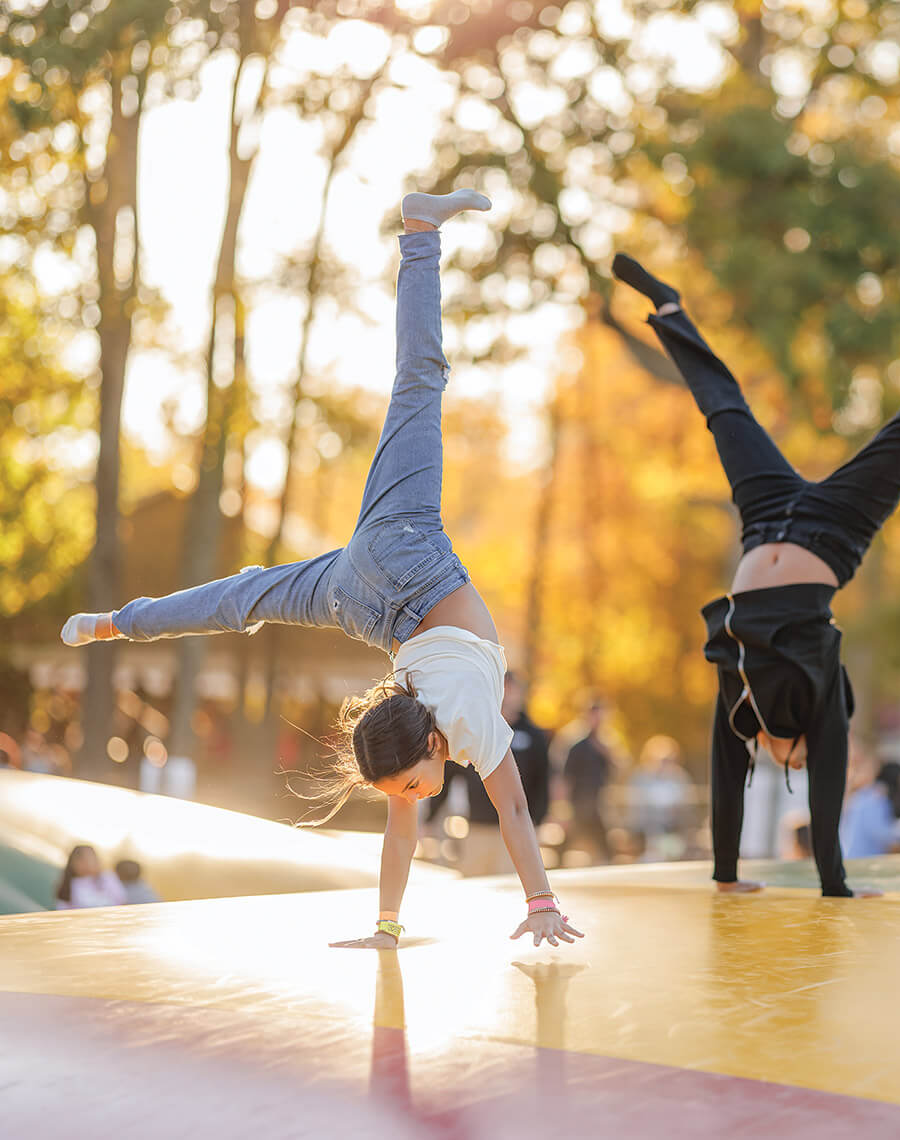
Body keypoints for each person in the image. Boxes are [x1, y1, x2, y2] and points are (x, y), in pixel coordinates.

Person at [60, 190, 581, 951]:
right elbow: (463, 822)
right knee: (248, 596)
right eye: (401, 791)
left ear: (428, 748)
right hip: (366, 595)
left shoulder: (454, 728)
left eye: (399, 788)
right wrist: (417, 923)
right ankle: (118, 622)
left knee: (420, 383)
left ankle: (421, 232)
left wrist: (526, 906)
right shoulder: (426, 732)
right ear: (431, 747)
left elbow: (513, 814)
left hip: (402, 566)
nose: (404, 802)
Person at [612, 252, 900, 896]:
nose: (794, 763)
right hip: (836, 529)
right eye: (795, 761)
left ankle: (668, 309)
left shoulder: (742, 708)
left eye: (790, 764)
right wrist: (835, 885)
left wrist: (726, 876)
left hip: (766, 517)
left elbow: (727, 778)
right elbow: (830, 779)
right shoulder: (817, 695)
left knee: (727, 416)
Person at [425, 669, 551, 876]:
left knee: (511, 886)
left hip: (517, 829)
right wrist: (430, 816)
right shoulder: (474, 730)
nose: (506, 696)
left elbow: (543, 780)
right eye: (502, 689)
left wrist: (536, 822)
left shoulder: (533, 735)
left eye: (511, 689)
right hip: (477, 826)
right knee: (476, 885)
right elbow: (449, 774)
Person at [562, 697, 614, 863]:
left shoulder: (605, 746)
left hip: (597, 801)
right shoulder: (577, 747)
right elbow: (566, 777)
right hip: (579, 802)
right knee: (571, 841)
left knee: (602, 843)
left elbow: (616, 771)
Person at [840, 759, 900, 859]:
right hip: (861, 857)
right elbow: (879, 831)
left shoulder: (865, 794)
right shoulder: (876, 798)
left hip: (852, 854)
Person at [55, 845, 127, 910]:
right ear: (72, 863)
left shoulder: (108, 878)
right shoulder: (69, 885)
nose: (87, 863)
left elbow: (122, 902)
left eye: (90, 858)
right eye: (81, 859)